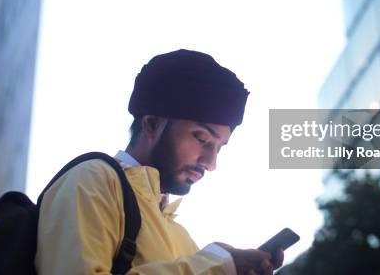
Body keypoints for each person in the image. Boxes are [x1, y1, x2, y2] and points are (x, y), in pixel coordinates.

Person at [35, 49, 284, 275]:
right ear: (152, 124)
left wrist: (229, 268)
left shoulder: (182, 238)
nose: (211, 162)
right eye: (202, 138)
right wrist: (215, 267)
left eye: (219, 148)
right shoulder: (93, 180)